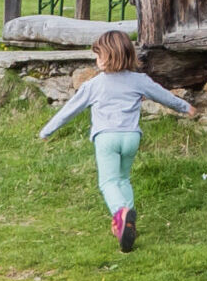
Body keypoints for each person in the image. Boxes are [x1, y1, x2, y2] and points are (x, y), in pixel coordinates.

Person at [37, 30, 192, 252]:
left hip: (106, 137)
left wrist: (47, 130)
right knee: (123, 179)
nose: (96, 60)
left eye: (99, 55)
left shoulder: (95, 85)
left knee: (108, 182)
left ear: (111, 57)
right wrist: (185, 107)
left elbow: (70, 109)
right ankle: (129, 223)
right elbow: (163, 95)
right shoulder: (139, 80)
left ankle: (120, 215)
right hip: (131, 137)